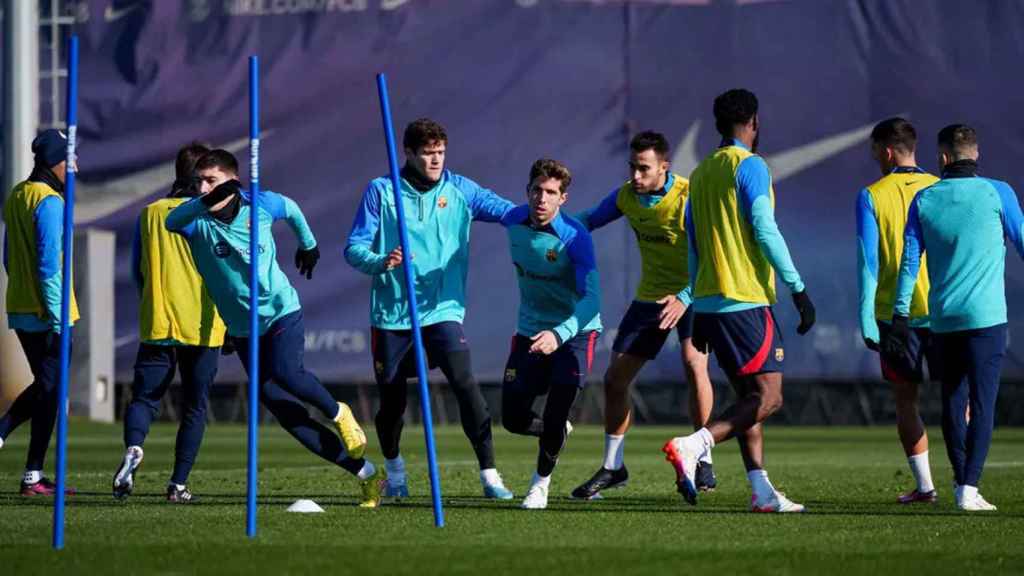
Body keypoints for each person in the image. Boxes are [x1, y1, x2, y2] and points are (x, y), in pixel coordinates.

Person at [166, 149, 384, 507]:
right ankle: (367, 474)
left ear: (233, 181)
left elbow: (293, 209)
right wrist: (211, 196)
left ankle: (338, 412)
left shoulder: (261, 205)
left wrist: (308, 244)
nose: (202, 187)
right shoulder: (196, 220)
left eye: (211, 180)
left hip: (280, 311)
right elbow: (170, 223)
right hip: (242, 328)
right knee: (284, 411)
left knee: (287, 372)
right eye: (199, 181)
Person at [345, 118, 515, 499]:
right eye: (427, 153)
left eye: (440, 152)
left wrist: (539, 217)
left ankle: (490, 475)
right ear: (408, 153)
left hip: (442, 309)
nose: (436, 160)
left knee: (465, 384)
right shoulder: (382, 190)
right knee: (392, 403)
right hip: (391, 313)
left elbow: (507, 211)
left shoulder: (460, 189)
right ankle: (396, 473)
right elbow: (353, 247)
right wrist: (380, 261)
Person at [662, 89, 815, 512]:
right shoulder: (751, 167)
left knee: (748, 399)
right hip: (743, 300)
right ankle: (694, 445)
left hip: (709, 304)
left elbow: (692, 245)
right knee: (769, 398)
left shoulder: (702, 172)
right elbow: (764, 228)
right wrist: (797, 287)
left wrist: (696, 296)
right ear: (754, 121)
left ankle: (761, 491)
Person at [885, 124, 1024, 511]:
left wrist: (899, 315)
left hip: (942, 320)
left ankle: (961, 480)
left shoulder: (925, 199)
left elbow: (910, 262)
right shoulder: (999, 192)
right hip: (987, 319)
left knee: (952, 400)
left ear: (943, 158)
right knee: (982, 403)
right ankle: (969, 487)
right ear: (975, 155)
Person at [571, 131, 715, 500]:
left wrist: (684, 296)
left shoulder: (688, 198)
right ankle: (613, 467)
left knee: (693, 363)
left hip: (693, 294)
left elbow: (712, 256)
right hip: (650, 298)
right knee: (615, 380)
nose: (636, 176)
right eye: (633, 167)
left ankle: (701, 456)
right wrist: (552, 223)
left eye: (644, 169)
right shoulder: (626, 196)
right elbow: (587, 220)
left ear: (664, 167)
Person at [112, 142, 228, 503]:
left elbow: (137, 272)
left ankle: (134, 447)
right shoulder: (214, 214)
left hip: (160, 320)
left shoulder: (151, 214)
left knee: (145, 398)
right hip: (204, 324)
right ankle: (177, 484)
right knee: (195, 405)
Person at [499, 159, 601, 509]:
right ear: (527, 192)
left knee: (557, 411)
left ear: (564, 198)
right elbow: (477, 200)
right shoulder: (513, 219)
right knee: (512, 419)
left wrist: (559, 334)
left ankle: (539, 485)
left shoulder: (576, 237)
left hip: (574, 334)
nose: (542, 198)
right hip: (529, 331)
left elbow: (592, 300)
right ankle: (556, 432)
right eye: (537, 190)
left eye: (551, 192)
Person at [856, 118, 940, 504]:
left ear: (887, 151)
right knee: (961, 396)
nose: (875, 158)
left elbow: (868, 264)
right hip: (943, 310)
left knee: (906, 400)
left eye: (875, 151)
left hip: (894, 318)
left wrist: (865, 320)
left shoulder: (871, 195)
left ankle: (925, 486)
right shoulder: (941, 189)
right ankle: (967, 483)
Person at [0, 128, 80, 496]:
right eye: (71, 159)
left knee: (49, 386)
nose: (75, 166)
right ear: (56, 163)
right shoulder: (49, 202)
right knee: (51, 387)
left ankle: (31, 471)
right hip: (47, 311)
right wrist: (59, 317)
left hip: (19, 305)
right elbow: (49, 267)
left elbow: (8, 259)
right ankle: (31, 473)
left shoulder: (17, 194)